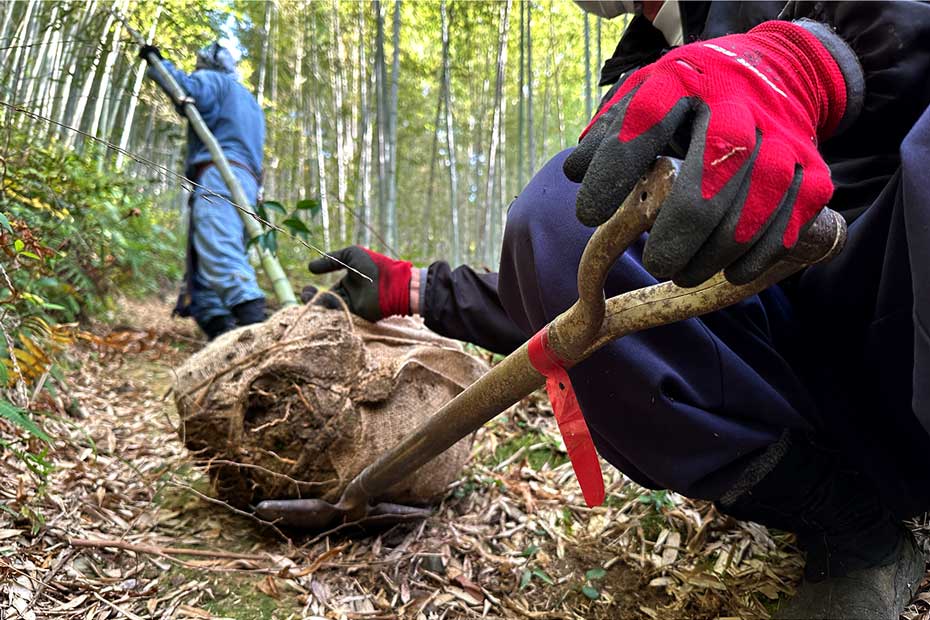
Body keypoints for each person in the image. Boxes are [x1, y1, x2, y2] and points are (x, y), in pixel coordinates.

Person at [309, 2, 930, 618]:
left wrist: (805, 63)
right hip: (795, 368)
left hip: (893, 301)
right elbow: (592, 299)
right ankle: (846, 521)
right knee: (561, 212)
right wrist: (414, 290)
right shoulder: (651, 66)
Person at [140, 42, 267, 340]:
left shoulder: (215, 81)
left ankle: (254, 326)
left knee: (219, 249)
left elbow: (183, 87)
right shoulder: (250, 102)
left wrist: (158, 61)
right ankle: (219, 327)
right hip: (247, 181)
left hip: (221, 172)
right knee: (210, 252)